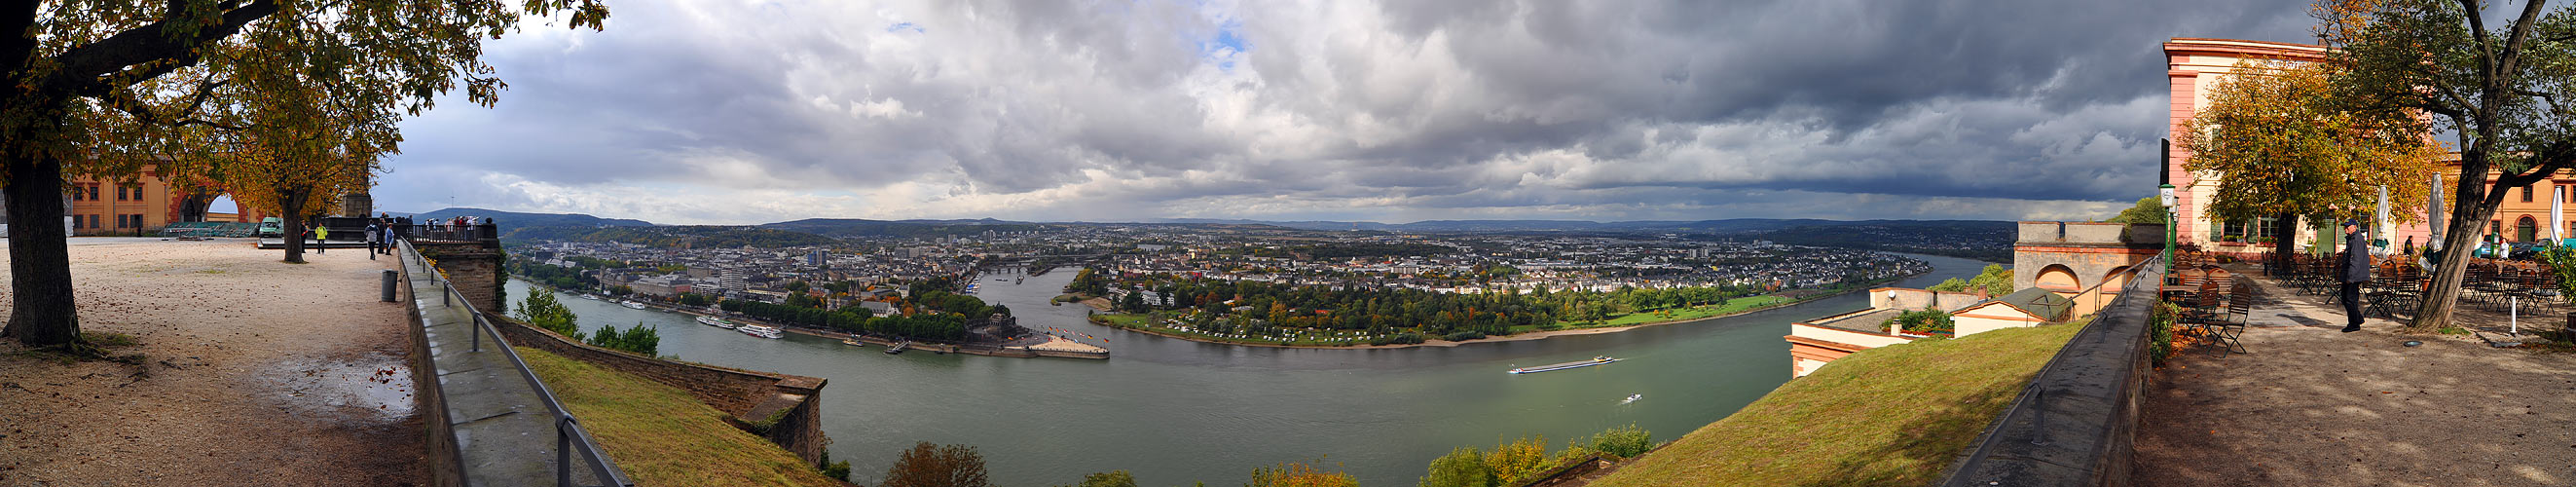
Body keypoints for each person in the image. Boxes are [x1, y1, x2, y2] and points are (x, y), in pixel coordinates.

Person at [2340, 219, 2371, 333]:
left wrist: (2350, 277)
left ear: (2354, 227)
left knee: (2350, 300)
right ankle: (2357, 318)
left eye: (2348, 226)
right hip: (2350, 274)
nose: (2345, 229)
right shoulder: (2352, 239)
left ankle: (2354, 324)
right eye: (2345, 226)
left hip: (2354, 275)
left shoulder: (2356, 240)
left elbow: (2355, 260)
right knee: (2345, 298)